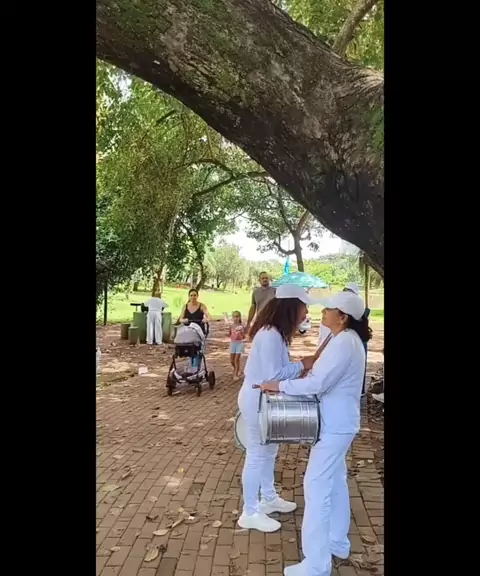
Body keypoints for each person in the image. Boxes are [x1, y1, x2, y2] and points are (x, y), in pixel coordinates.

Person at [255, 291, 372, 576]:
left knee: (316, 486)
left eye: (328, 309)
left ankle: (317, 564)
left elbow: (318, 383)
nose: (322, 312)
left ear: (343, 317)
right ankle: (337, 543)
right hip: (338, 423)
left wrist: (279, 386)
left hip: (335, 425)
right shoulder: (344, 339)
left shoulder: (344, 343)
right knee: (335, 482)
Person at [238, 284, 318, 533]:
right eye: (304, 308)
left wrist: (299, 368)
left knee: (269, 450)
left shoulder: (275, 333)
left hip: (263, 399)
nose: (306, 313)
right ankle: (249, 511)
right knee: (257, 454)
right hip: (257, 399)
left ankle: (268, 498)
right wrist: (303, 365)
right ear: (291, 308)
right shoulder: (270, 335)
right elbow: (273, 375)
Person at [177, 289, 211, 368]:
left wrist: (205, 320)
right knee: (190, 349)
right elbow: (180, 319)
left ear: (197, 296)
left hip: (199, 330)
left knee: (198, 350)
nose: (193, 297)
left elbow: (209, 316)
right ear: (189, 296)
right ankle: (192, 367)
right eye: (191, 295)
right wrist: (184, 320)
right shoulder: (185, 306)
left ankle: (196, 367)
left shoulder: (202, 306)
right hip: (189, 331)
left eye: (195, 295)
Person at [226, 310, 246, 380]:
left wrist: (240, 333)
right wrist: (229, 334)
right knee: (232, 360)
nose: (235, 318)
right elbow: (229, 334)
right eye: (234, 317)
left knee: (236, 360)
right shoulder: (231, 326)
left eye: (237, 317)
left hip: (239, 344)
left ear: (239, 317)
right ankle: (237, 369)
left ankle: (235, 374)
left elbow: (243, 337)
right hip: (233, 343)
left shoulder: (241, 326)